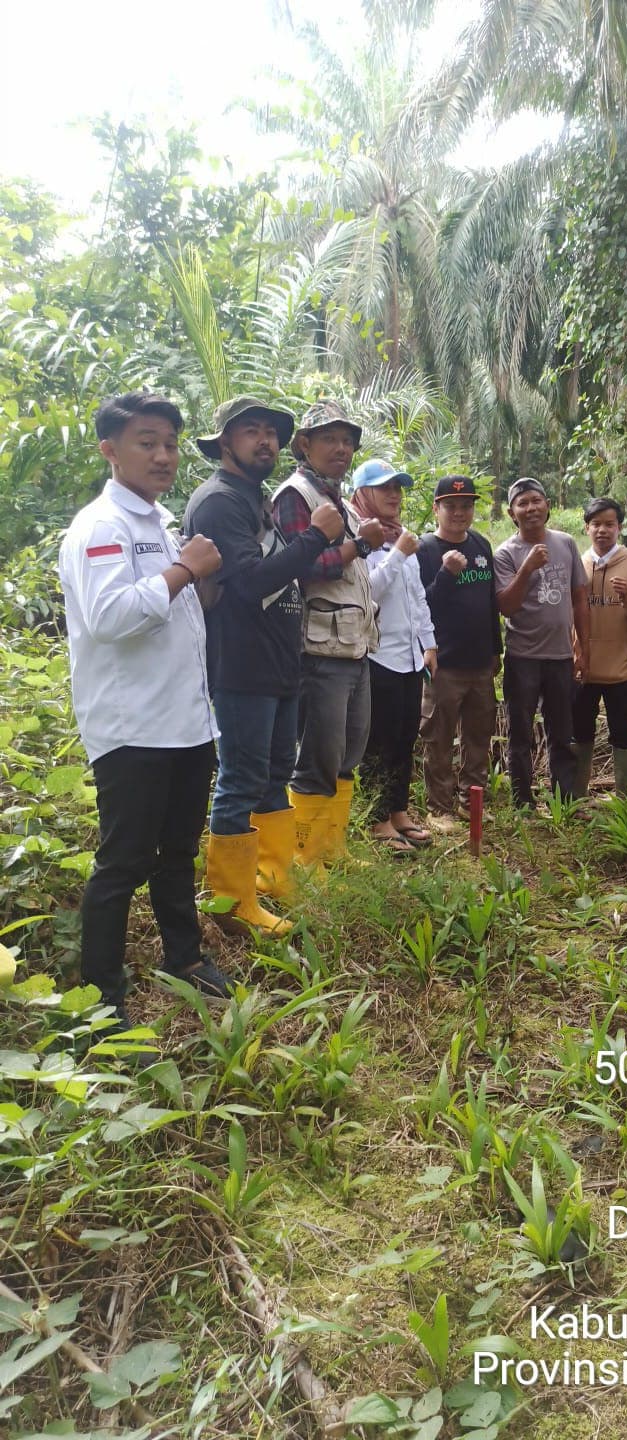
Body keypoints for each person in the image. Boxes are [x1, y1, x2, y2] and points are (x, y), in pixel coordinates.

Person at [58, 392, 233, 1025]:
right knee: (123, 861)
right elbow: (109, 619)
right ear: (110, 449)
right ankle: (101, 998)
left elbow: (177, 616)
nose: (163, 456)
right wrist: (185, 571)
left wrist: (194, 578)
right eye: (147, 442)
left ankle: (182, 958)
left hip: (185, 721)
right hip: (133, 729)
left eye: (170, 444)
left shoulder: (160, 525)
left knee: (179, 850)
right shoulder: (100, 527)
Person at [184, 396, 345, 934]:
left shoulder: (253, 500)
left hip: (277, 663)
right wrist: (317, 535)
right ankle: (230, 903)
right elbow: (252, 583)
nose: (265, 441)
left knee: (276, 772)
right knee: (242, 778)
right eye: (251, 431)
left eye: (272, 433)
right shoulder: (218, 501)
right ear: (225, 443)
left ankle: (272, 879)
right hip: (241, 664)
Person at [272, 401, 381, 867]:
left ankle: (333, 849)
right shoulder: (296, 496)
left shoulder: (339, 499)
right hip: (320, 648)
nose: (341, 448)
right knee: (318, 755)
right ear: (304, 444)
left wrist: (358, 542)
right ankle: (306, 857)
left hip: (354, 646)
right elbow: (305, 566)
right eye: (329, 439)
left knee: (348, 752)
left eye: (347, 440)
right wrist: (358, 546)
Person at [349, 458, 437, 853]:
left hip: (409, 656)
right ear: (361, 494)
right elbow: (368, 593)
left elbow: (417, 597)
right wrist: (399, 551)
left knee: (404, 736)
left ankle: (399, 811)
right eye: (384, 488)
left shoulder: (403, 538)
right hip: (377, 654)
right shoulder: (358, 539)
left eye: (398, 488)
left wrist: (429, 642)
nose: (394, 495)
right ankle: (377, 819)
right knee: (378, 740)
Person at [494, 478, 589, 808]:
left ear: (547, 506)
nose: (531, 508)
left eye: (536, 500)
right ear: (512, 512)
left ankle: (564, 800)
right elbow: (506, 606)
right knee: (520, 732)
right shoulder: (506, 553)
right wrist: (528, 568)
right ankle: (522, 800)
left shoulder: (565, 543)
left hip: (561, 656)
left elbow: (579, 598)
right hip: (522, 657)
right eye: (523, 503)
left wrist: (582, 647)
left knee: (562, 731)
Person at [417, 475, 501, 827]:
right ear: (436, 508)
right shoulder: (424, 549)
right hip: (444, 664)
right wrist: (448, 574)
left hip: (481, 663)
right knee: (438, 737)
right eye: (450, 505)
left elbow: (490, 603)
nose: (459, 512)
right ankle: (439, 807)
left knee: (478, 736)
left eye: (466, 505)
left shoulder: (481, 545)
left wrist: (497, 650)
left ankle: (472, 799)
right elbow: (422, 606)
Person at [572, 497, 627, 796]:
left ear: (620, 527)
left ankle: (623, 796)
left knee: (623, 734)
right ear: (587, 528)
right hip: (582, 668)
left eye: (609, 524)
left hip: (621, 671)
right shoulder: (577, 563)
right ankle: (578, 795)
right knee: (580, 732)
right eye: (596, 524)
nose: (602, 530)